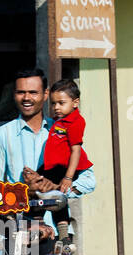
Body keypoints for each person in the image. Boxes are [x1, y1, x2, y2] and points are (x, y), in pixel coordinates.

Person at [0, 68, 97, 220]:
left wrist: (56, 190)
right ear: (14, 95)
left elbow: (89, 180)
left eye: (33, 92)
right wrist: (24, 192)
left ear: (45, 95)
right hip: (20, 229)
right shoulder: (3, 134)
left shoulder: (62, 130)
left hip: (58, 232)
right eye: (20, 92)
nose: (26, 98)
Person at [38, 78, 93, 242]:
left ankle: (63, 235)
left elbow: (75, 151)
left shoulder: (75, 122)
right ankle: (40, 223)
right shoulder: (60, 121)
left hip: (62, 169)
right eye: (54, 103)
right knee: (39, 190)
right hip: (51, 167)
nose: (56, 107)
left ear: (75, 103)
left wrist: (68, 177)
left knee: (57, 199)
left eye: (61, 103)